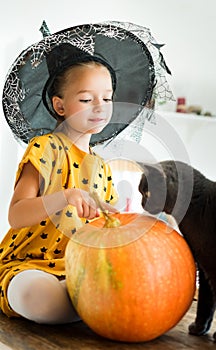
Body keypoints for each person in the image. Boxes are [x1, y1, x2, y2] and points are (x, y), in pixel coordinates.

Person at [1, 21, 173, 324]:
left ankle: (84, 300)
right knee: (39, 298)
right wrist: (65, 196)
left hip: (78, 266)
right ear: (60, 105)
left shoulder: (101, 166)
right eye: (86, 99)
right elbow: (16, 215)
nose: (100, 107)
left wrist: (138, 219)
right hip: (32, 264)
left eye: (107, 98)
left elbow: (102, 226)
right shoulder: (46, 148)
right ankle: (83, 304)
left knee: (125, 281)